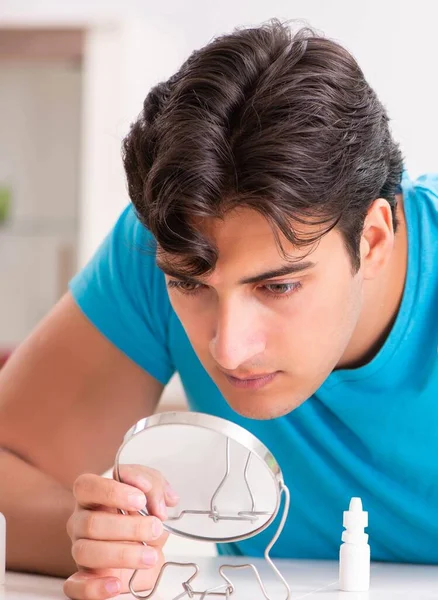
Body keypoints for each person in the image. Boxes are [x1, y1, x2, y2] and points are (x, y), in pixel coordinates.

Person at [0, 19, 437, 600]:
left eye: (278, 287)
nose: (228, 349)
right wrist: (93, 539)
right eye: (190, 285)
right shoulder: (163, 243)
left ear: (374, 241)